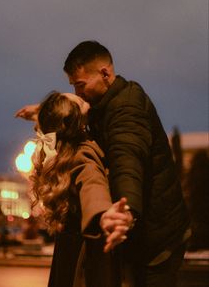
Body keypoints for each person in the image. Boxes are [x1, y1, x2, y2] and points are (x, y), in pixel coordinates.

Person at [16, 40, 191, 287]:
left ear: (105, 73)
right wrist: (46, 111)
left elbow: (127, 161)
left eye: (80, 85)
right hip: (125, 234)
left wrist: (124, 211)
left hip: (156, 239)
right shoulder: (98, 112)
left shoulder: (126, 110)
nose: (78, 94)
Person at [29, 91, 133, 287]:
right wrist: (103, 214)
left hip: (67, 248)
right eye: (79, 101)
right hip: (87, 253)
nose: (83, 98)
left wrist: (37, 112)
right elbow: (92, 185)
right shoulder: (82, 152)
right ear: (77, 118)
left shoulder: (59, 151)